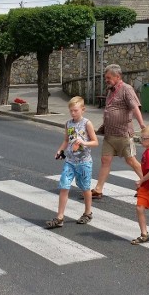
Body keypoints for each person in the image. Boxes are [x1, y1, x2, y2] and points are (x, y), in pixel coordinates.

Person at [89, 64, 146, 200]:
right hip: (109, 134)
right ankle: (98, 189)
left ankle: (147, 184)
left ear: (118, 76)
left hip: (123, 134)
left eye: (108, 77)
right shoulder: (110, 90)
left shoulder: (127, 89)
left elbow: (135, 107)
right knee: (105, 160)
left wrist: (142, 124)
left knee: (131, 161)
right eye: (105, 77)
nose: (106, 80)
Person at [46, 96, 99, 229]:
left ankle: (88, 212)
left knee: (86, 188)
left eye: (75, 110)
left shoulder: (87, 123)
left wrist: (84, 142)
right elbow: (66, 140)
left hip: (84, 162)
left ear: (83, 109)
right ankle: (60, 217)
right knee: (64, 186)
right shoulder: (68, 123)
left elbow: (95, 142)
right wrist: (60, 151)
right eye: (71, 111)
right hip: (70, 161)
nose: (73, 113)